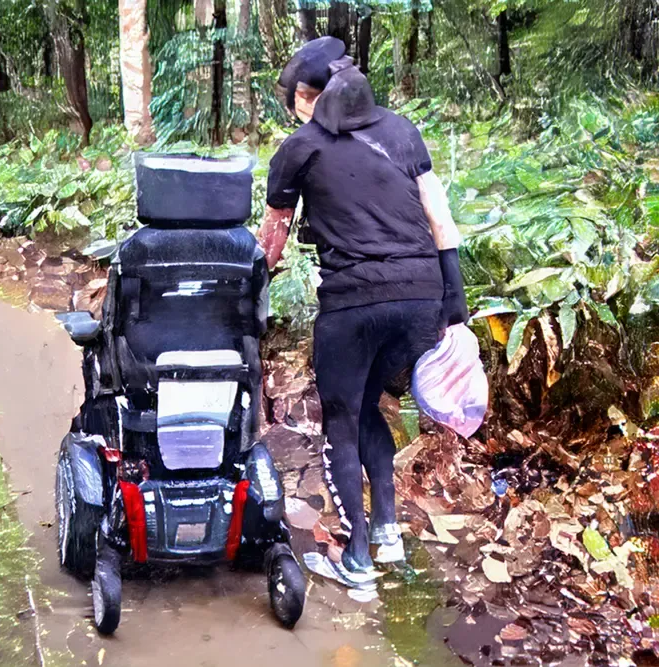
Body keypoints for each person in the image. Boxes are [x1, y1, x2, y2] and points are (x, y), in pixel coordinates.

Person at [257, 38, 469, 586]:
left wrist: (249, 282)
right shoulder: (401, 130)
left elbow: (273, 239)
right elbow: (438, 215)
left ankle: (354, 557)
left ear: (306, 96)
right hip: (422, 300)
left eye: (293, 98)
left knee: (342, 421)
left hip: (353, 307)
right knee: (370, 404)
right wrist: (455, 299)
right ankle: (387, 534)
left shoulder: (300, 147)